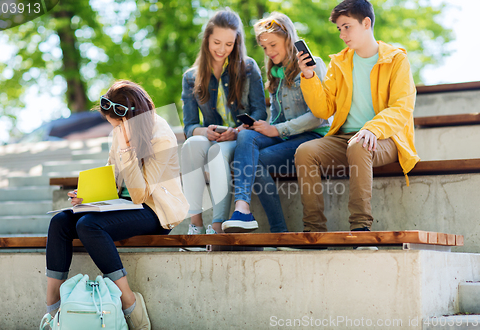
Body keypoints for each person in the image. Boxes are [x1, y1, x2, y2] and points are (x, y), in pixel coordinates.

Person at [43, 80, 189, 330]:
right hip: (123, 204)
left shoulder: (162, 136)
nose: (114, 131)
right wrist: (87, 195)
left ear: (131, 119)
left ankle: (129, 303)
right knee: (60, 222)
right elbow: (112, 178)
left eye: (117, 126)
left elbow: (140, 194)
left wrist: (126, 150)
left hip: (156, 211)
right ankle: (53, 310)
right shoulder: (119, 131)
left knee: (89, 226)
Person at [295, 0, 419, 233]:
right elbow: (324, 109)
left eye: (346, 27)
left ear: (366, 23)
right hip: (345, 138)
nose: (342, 34)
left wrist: (372, 129)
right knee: (305, 152)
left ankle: (361, 228)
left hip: (385, 138)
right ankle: (313, 231)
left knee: (360, 145)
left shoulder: (396, 59)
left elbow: (402, 106)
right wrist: (309, 76)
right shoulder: (339, 63)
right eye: (339, 29)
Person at [221, 12, 329, 233]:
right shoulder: (275, 73)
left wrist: (275, 129)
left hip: (312, 137)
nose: (269, 52)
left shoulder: (313, 65)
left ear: (288, 39)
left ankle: (279, 231)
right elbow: (279, 118)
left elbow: (320, 115)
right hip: (287, 136)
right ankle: (242, 208)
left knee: (255, 161)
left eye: (273, 45)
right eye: (264, 47)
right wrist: (259, 126)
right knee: (246, 135)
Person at [181, 9, 267, 234]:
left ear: (236, 42)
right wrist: (204, 131)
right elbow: (189, 126)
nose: (222, 49)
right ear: (207, 39)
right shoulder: (191, 77)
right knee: (190, 146)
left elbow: (260, 111)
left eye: (229, 44)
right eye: (217, 42)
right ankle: (196, 225)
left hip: (240, 137)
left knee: (217, 152)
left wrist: (238, 131)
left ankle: (217, 228)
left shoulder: (248, 68)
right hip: (211, 136)